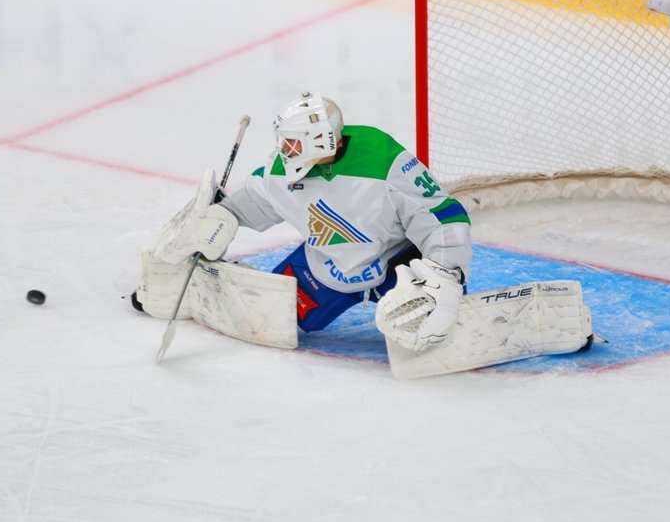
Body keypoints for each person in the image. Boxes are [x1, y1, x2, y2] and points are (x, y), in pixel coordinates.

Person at [144, 92, 471, 349]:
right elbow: (257, 200)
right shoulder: (282, 171)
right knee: (265, 318)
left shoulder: (382, 160)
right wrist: (222, 215)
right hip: (326, 270)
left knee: (427, 317)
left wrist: (444, 273)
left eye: (292, 142)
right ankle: (187, 292)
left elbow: (442, 214)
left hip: (398, 264)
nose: (284, 149)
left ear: (321, 141)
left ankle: (441, 303)